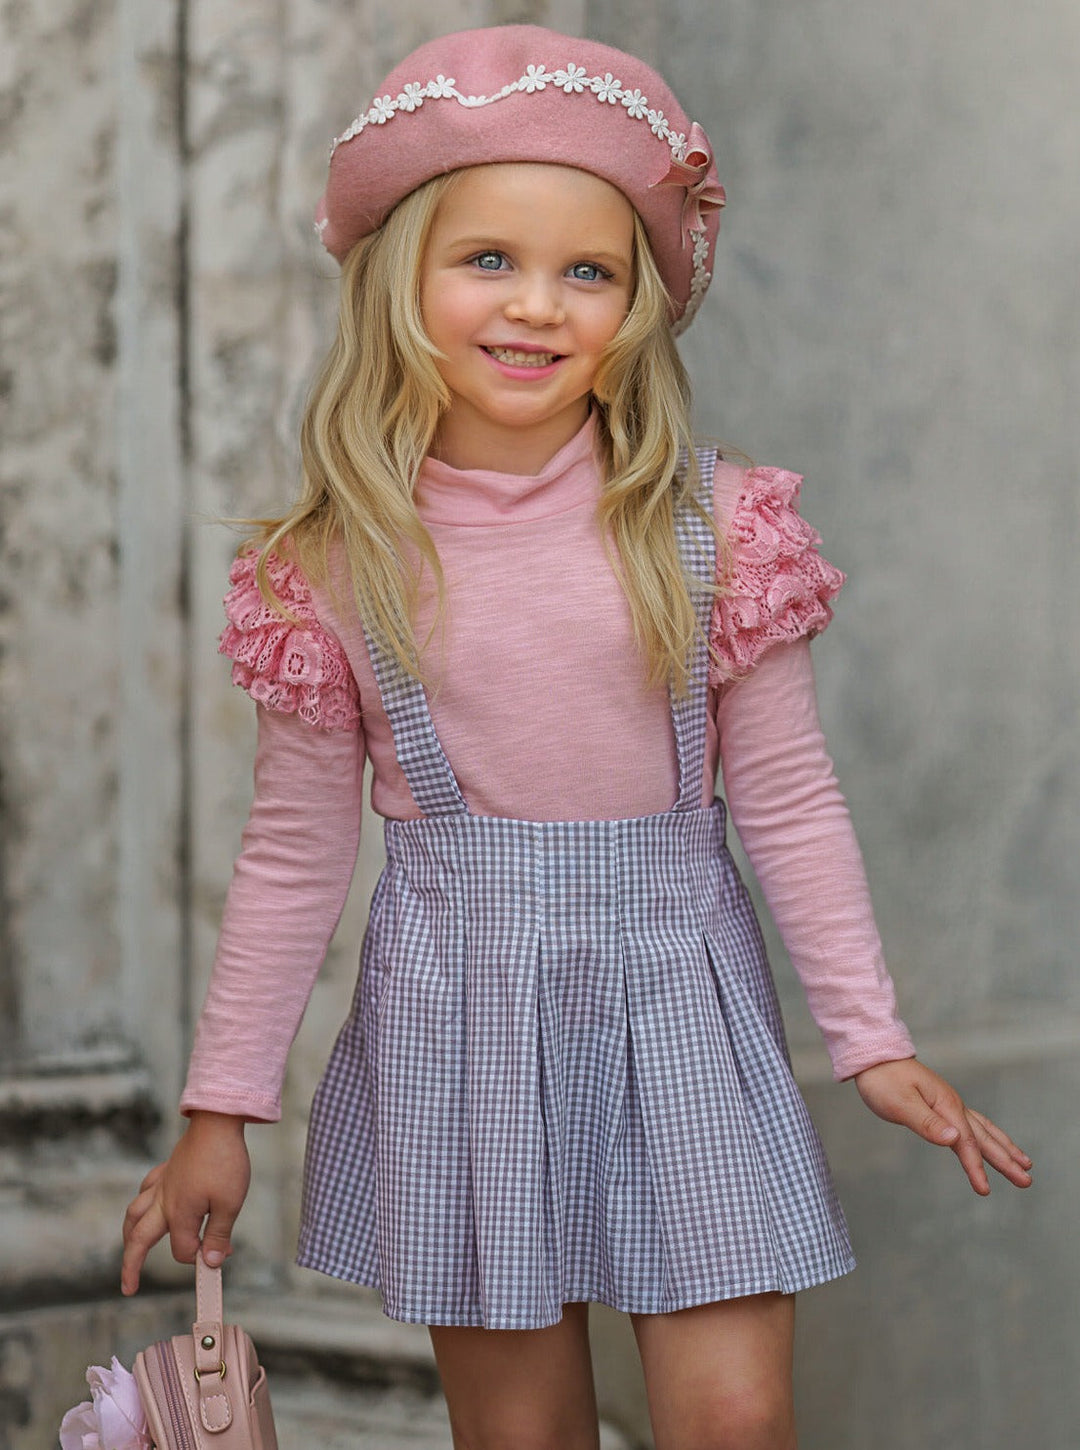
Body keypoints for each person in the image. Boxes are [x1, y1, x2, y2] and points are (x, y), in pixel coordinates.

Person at [120, 25, 1031, 1450]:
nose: (537, 305)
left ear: (637, 311)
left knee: (735, 1420)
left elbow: (789, 799)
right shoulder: (329, 570)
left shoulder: (716, 531)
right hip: (456, 1022)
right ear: (400, 282)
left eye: (588, 272)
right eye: (488, 258)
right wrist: (219, 1111)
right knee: (523, 1437)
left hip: (682, 1003)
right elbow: (294, 854)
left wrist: (872, 1040)